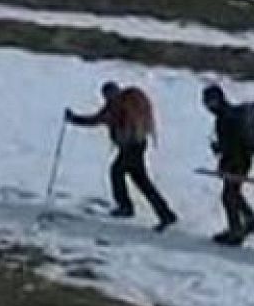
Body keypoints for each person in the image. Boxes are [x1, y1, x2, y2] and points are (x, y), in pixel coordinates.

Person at [66, 81, 178, 231]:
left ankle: (127, 207)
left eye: (109, 94)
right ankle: (165, 214)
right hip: (135, 146)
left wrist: (74, 119)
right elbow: (97, 119)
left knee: (118, 172)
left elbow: (98, 119)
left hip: (132, 147)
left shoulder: (122, 106)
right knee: (141, 181)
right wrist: (75, 119)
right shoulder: (117, 106)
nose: (108, 97)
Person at [203, 84, 254, 246]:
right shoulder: (228, 115)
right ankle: (249, 220)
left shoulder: (226, 118)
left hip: (237, 163)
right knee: (233, 193)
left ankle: (236, 231)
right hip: (241, 161)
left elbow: (232, 145)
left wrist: (224, 159)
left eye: (210, 102)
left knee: (229, 196)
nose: (208, 106)